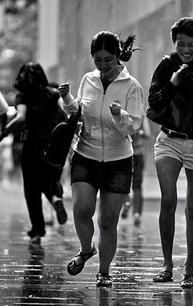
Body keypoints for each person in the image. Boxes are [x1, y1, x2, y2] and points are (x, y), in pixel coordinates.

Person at [58, 31, 144, 287]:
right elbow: (78, 112)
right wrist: (66, 98)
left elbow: (134, 127)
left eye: (108, 59)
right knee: (81, 210)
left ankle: (104, 272)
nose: (103, 65)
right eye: (98, 59)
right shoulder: (88, 80)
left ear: (118, 56)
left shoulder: (132, 86)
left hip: (119, 160)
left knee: (108, 221)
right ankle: (86, 249)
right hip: (86, 153)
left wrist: (119, 114)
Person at [147, 17, 193, 288]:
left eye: (191, 44)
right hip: (170, 140)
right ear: (174, 42)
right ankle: (167, 264)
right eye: (180, 44)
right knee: (168, 200)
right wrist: (174, 82)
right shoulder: (167, 65)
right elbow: (154, 101)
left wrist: (191, 76)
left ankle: (189, 267)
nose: (185, 49)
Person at [6, 62, 68, 244]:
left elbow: (20, 117)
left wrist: (4, 132)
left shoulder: (23, 96)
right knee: (48, 180)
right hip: (52, 146)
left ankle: (37, 230)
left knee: (31, 189)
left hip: (31, 145)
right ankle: (55, 197)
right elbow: (65, 114)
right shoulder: (53, 93)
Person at [120, 117, 151, 226]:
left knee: (123, 181)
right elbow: (147, 134)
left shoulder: (123, 114)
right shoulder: (141, 116)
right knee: (137, 185)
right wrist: (140, 132)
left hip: (125, 153)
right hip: (138, 153)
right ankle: (137, 212)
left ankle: (126, 202)